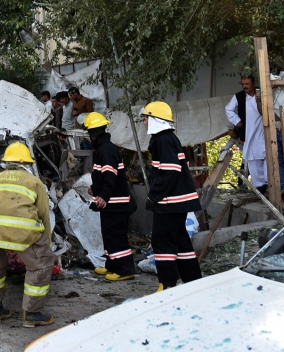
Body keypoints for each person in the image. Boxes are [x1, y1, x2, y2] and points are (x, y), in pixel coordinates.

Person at [0, 142, 55, 328]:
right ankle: (31, 314)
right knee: (40, 266)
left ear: (5, 162)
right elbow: (44, 217)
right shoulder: (34, 182)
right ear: (27, 164)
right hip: (23, 233)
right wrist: (46, 247)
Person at [142, 101, 202, 291]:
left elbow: (170, 172)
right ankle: (193, 282)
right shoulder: (169, 138)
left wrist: (154, 196)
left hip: (169, 203)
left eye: (145, 118)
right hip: (178, 202)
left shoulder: (162, 140)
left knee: (162, 241)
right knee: (180, 241)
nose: (144, 122)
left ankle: (167, 285)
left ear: (154, 119)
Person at [83, 112, 135, 281]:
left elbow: (110, 176)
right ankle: (112, 266)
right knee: (109, 236)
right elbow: (103, 177)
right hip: (112, 203)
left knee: (116, 236)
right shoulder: (104, 149)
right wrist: (95, 189)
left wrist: (103, 196)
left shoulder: (106, 150)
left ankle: (125, 270)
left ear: (93, 134)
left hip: (115, 203)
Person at [225, 75, 268, 193]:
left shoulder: (262, 94)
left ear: (253, 84)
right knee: (253, 159)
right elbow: (228, 109)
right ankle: (260, 188)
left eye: (247, 84)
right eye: (243, 84)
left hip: (264, 132)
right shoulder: (238, 97)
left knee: (267, 157)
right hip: (249, 133)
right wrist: (237, 121)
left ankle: (270, 185)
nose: (244, 87)